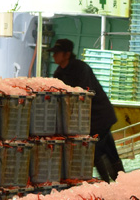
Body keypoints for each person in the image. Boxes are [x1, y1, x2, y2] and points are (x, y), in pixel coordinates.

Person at [51, 38, 125, 182]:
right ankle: (118, 183)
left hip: (99, 116)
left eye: (57, 53)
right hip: (86, 120)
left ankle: (109, 183)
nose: (54, 56)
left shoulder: (80, 68)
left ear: (67, 54)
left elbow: (83, 93)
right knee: (108, 151)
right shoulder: (59, 72)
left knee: (95, 151)